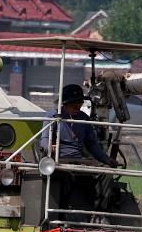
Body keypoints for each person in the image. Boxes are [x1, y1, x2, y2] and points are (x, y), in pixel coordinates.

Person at [40, 84, 117, 220]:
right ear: (65, 104)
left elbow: (92, 144)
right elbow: (44, 138)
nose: (78, 108)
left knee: (107, 173)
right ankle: (61, 215)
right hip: (60, 159)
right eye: (74, 105)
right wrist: (48, 148)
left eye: (80, 104)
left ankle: (98, 214)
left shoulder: (83, 119)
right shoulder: (53, 116)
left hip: (79, 159)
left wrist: (106, 160)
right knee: (67, 176)